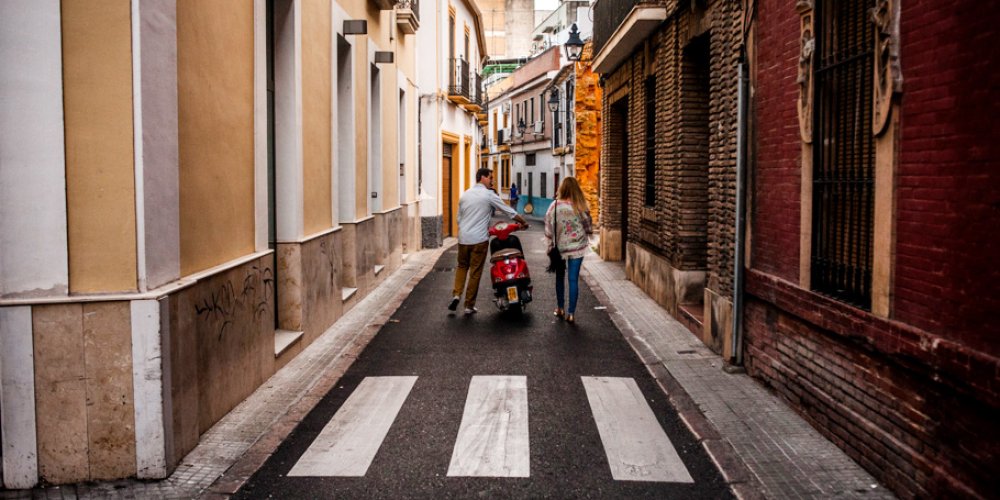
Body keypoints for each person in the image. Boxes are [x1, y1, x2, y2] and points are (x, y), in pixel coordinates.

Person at [449, 168, 529, 315]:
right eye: (490, 177)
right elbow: (509, 211)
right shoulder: (488, 195)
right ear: (482, 178)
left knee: (462, 266)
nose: (492, 181)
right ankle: (468, 305)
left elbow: (459, 219)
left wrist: (465, 230)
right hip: (479, 239)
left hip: (463, 239)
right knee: (475, 272)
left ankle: (456, 294)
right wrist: (523, 222)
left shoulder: (465, 195)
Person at [543, 176, 592, 324]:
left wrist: (549, 245)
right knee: (573, 279)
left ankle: (560, 308)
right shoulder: (581, 205)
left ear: (562, 188)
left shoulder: (554, 206)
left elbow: (548, 228)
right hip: (577, 247)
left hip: (560, 248)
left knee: (560, 277)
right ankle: (571, 313)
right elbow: (588, 226)